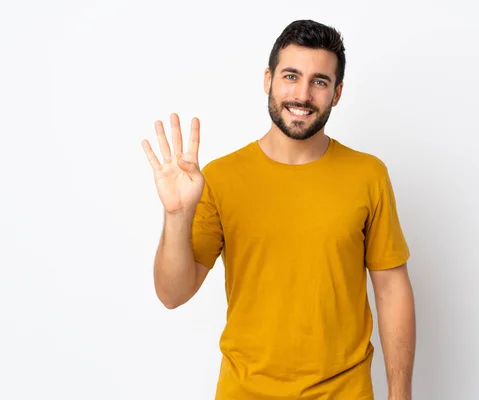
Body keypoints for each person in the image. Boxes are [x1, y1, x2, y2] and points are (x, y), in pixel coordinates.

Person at [142, 19, 416, 400]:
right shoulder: (221, 178)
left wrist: (400, 394)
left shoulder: (368, 175)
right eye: (291, 76)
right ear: (268, 79)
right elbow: (172, 294)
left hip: (345, 391)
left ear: (336, 93)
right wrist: (176, 216)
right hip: (244, 391)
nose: (302, 95)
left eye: (319, 81)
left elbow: (391, 289)